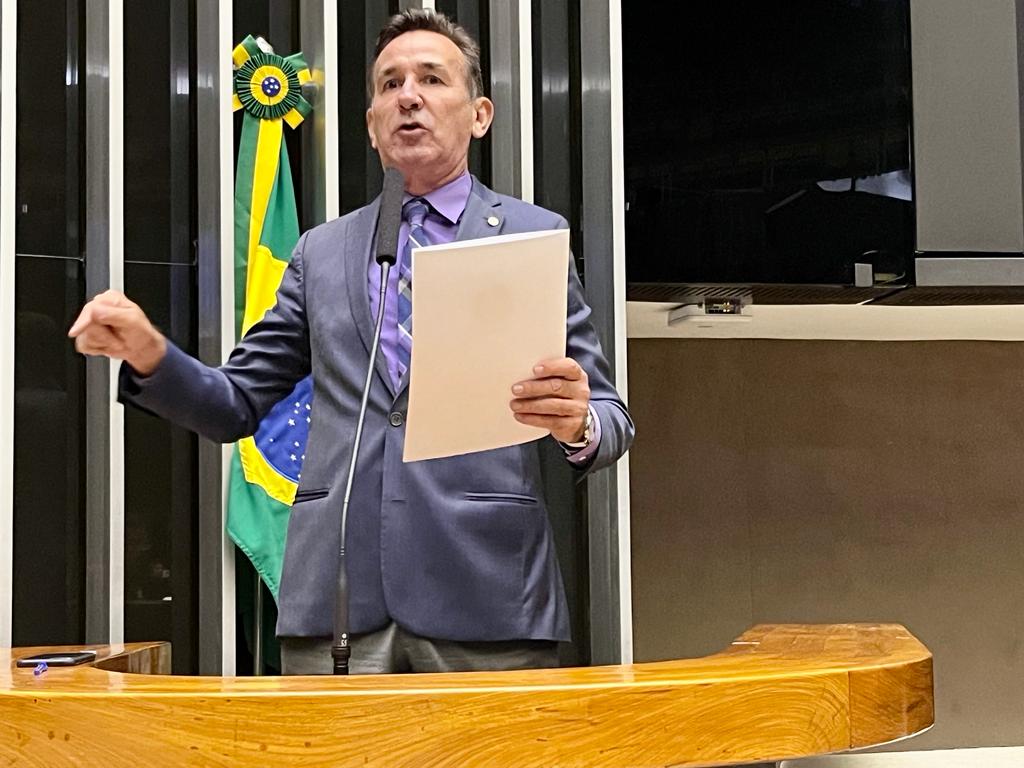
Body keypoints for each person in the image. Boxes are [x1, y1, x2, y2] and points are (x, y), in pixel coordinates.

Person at [69, 9, 634, 674]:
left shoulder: (533, 235)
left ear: (480, 115)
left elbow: (610, 418)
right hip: (336, 600)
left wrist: (577, 423)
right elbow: (234, 404)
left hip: (488, 595)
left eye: (431, 79)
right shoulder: (322, 252)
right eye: (390, 84)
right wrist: (150, 355)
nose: (409, 97)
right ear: (371, 125)